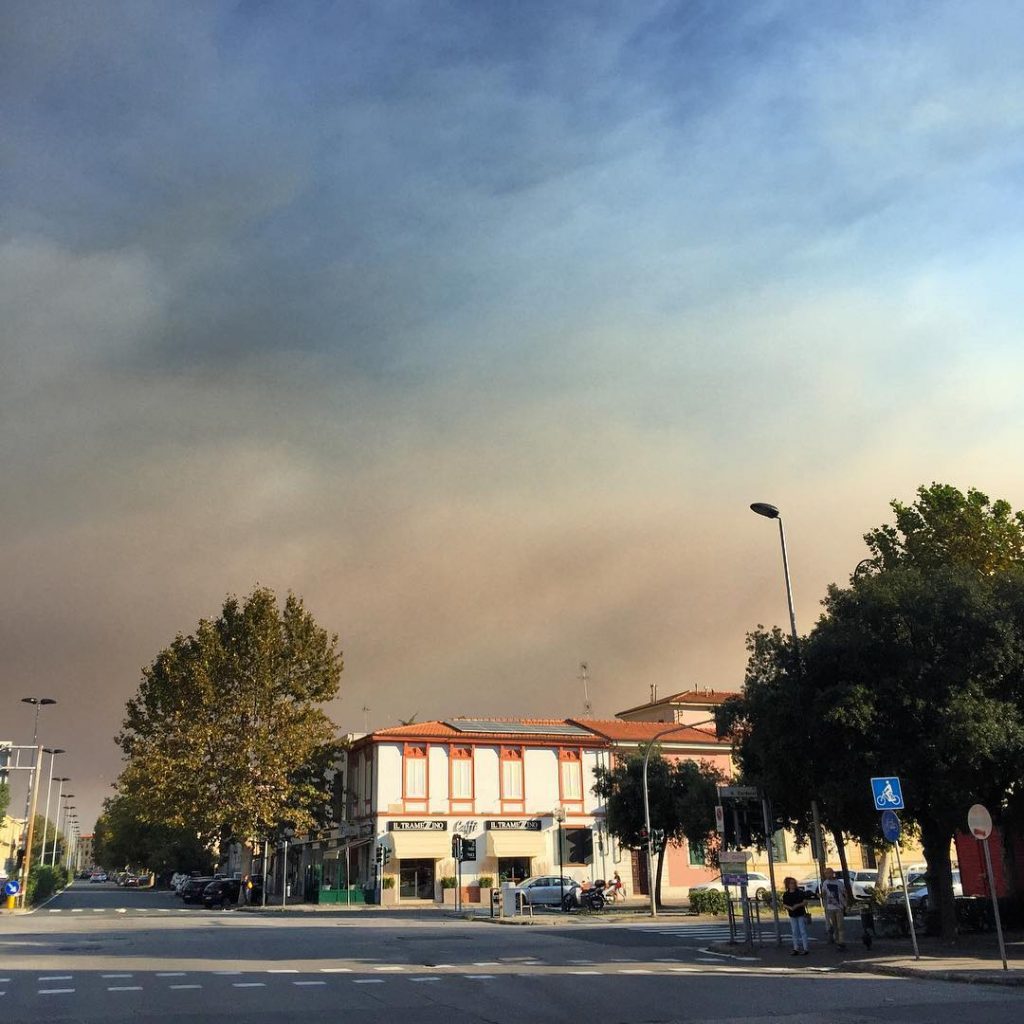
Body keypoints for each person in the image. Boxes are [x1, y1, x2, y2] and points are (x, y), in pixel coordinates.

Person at [781, 877, 810, 955]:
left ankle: (805, 948)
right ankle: (796, 948)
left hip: (800, 913)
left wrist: (797, 905)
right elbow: (784, 904)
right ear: (788, 885)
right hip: (792, 914)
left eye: (794, 883)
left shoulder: (800, 892)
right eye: (791, 883)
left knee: (802, 931)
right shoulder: (786, 894)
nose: (793, 885)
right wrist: (790, 907)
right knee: (794, 931)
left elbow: (805, 902)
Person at [821, 868, 848, 950]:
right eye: (826, 873)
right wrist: (822, 896)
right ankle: (837, 941)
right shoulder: (825, 883)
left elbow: (844, 893)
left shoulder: (839, 883)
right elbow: (824, 893)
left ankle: (841, 941)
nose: (828, 875)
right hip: (830, 907)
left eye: (829, 873)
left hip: (839, 906)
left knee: (840, 925)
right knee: (834, 925)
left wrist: (846, 904)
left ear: (833, 873)